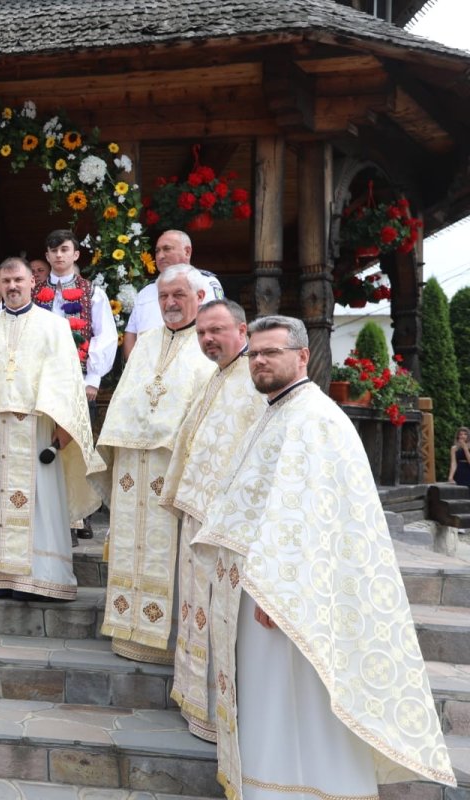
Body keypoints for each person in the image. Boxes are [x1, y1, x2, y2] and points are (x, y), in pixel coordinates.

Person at [193, 315, 455, 799]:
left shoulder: (313, 417)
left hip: (287, 591)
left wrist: (282, 591)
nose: (260, 361)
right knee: (273, 699)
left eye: (271, 352)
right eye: (254, 354)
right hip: (264, 583)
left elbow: (312, 512)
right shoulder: (278, 411)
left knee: (294, 698)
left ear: (301, 357)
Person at [0, 257, 101, 601]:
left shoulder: (53, 325)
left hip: (35, 429)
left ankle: (40, 578)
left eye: (18, 279)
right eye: (6, 281)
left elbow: (67, 381)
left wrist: (64, 428)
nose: (12, 286)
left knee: (38, 501)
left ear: (33, 283)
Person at [94, 264, 214, 664]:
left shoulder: (209, 342)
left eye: (178, 295)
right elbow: (129, 393)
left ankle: (167, 639)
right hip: (133, 465)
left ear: (199, 297)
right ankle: (128, 630)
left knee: (168, 549)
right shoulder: (145, 342)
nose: (170, 303)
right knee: (133, 543)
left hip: (173, 467)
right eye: (163, 296)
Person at [158, 299, 264, 741]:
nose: (208, 339)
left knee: (216, 614)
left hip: (224, 526)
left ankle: (219, 713)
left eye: (217, 330)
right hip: (196, 519)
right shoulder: (216, 376)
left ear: (242, 330)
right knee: (194, 609)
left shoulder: (254, 382)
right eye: (202, 333)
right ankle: (194, 700)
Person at [38, 230, 117, 402]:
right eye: (54, 250)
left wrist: (93, 379)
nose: (59, 255)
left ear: (76, 255)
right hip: (40, 379)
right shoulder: (33, 293)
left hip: (79, 380)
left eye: (64, 249)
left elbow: (106, 336)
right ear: (47, 256)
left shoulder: (92, 292)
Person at [122, 230, 224, 358]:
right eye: (157, 251)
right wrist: (134, 367)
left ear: (187, 251)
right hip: (146, 368)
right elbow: (131, 332)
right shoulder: (145, 292)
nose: (160, 256)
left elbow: (214, 325)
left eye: (167, 249)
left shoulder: (206, 282)